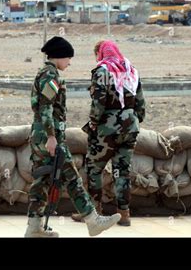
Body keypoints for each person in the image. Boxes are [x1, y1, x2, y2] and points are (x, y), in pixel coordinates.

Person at [25, 36, 121, 237]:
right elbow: (45, 108)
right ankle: (92, 220)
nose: (70, 62)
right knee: (72, 177)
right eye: (68, 58)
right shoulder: (50, 76)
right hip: (48, 137)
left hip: (41, 135)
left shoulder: (47, 73)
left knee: (42, 180)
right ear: (59, 56)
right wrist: (51, 137)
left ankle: (34, 227)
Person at [72, 40, 145, 226]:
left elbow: (99, 100)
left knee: (94, 168)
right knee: (122, 171)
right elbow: (140, 102)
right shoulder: (131, 70)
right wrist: (133, 121)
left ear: (101, 53)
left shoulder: (102, 71)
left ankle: (93, 212)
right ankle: (124, 213)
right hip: (130, 126)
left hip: (107, 127)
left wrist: (94, 122)